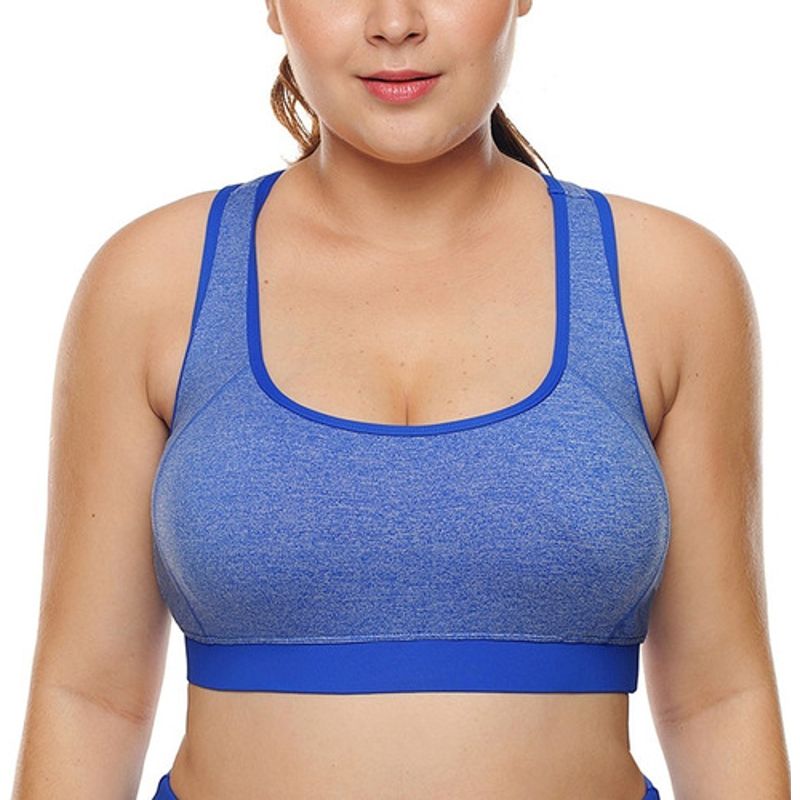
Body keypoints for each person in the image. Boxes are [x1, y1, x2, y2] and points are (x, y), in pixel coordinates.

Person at [12, 0, 790, 798]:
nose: (394, 23)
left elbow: (718, 697)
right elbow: (89, 698)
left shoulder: (669, 284)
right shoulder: (150, 284)